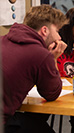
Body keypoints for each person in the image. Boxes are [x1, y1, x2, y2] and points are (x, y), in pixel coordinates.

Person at [1, 5, 67, 133]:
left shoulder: (3, 39)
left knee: (35, 122)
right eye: (57, 31)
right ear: (44, 30)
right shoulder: (40, 54)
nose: (59, 37)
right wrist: (53, 59)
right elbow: (52, 93)